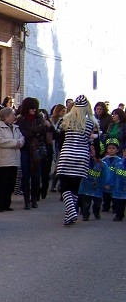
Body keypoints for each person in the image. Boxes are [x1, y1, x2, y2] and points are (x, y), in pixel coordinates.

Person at [56, 95, 96, 226]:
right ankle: (70, 214)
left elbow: (60, 137)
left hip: (67, 154)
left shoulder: (66, 120)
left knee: (65, 186)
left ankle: (71, 211)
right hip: (82, 155)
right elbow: (91, 139)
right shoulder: (91, 123)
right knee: (74, 186)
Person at [15, 97, 49, 210]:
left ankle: (34, 199)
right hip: (25, 149)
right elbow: (23, 133)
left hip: (36, 149)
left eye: (35, 107)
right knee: (25, 175)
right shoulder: (21, 120)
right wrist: (35, 131)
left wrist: (33, 131)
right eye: (31, 107)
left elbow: (43, 130)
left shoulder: (39, 118)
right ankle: (26, 200)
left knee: (36, 175)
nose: (34, 110)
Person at [0, 107, 24, 212]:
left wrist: (19, 142)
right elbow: (0, 141)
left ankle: (7, 203)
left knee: (11, 183)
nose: (14, 117)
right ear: (6, 117)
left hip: (14, 159)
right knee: (2, 183)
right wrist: (15, 143)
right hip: (3, 160)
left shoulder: (16, 128)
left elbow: (22, 138)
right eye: (12, 115)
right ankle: (0, 204)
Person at [101, 138, 126, 220]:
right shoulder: (104, 160)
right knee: (106, 196)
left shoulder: (119, 161)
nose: (111, 150)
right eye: (109, 148)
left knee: (115, 197)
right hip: (106, 181)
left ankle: (116, 208)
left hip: (116, 183)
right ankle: (106, 206)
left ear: (117, 150)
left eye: (113, 148)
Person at [79, 150, 105, 221]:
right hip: (86, 186)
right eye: (90, 149)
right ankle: (85, 215)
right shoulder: (84, 162)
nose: (92, 151)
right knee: (86, 203)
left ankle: (96, 212)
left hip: (97, 187)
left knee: (97, 203)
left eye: (94, 149)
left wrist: (107, 183)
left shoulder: (102, 163)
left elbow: (106, 174)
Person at [48, 104, 66, 191]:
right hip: (53, 142)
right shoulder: (52, 120)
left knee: (58, 164)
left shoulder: (63, 120)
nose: (64, 113)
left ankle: (55, 184)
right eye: (62, 111)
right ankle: (54, 184)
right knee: (56, 163)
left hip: (59, 143)